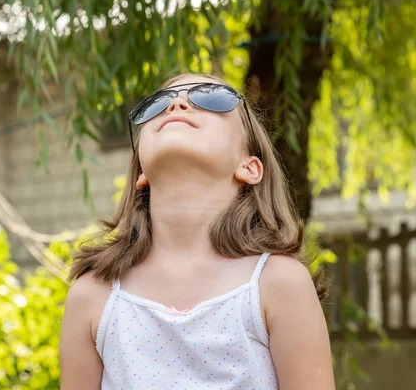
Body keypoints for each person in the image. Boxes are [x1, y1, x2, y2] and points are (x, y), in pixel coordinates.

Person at [59, 73, 335, 389]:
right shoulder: (93, 296)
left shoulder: (279, 284)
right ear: (141, 172)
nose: (176, 104)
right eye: (158, 104)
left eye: (210, 97)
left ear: (249, 166)